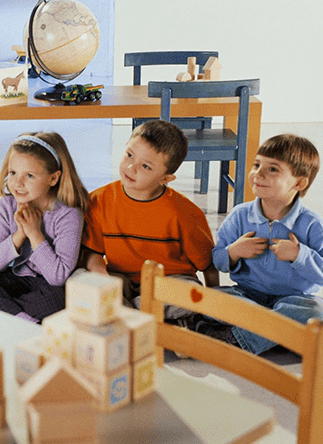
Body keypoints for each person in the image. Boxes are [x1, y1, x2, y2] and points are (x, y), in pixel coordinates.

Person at [198, 134, 323, 353]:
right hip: (246, 295)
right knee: (209, 299)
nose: (258, 173)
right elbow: (218, 259)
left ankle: (237, 339)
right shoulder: (239, 215)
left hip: (294, 301)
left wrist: (299, 255)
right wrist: (233, 252)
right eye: (257, 165)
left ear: (299, 182)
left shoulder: (312, 224)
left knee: (315, 313)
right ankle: (276, 333)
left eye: (273, 169)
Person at [80, 120, 219, 315]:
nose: (131, 167)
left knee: (192, 296)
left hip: (170, 282)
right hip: (120, 279)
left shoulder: (186, 213)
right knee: (79, 278)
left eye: (145, 166)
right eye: (129, 155)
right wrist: (105, 281)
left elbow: (208, 265)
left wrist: (214, 305)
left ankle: (126, 314)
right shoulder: (98, 200)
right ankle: (135, 313)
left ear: (165, 179)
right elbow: (92, 254)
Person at [0, 132, 90, 323]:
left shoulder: (68, 215)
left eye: (29, 175)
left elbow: (57, 276)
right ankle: (23, 320)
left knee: (62, 300)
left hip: (48, 287)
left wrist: (34, 233)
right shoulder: (6, 206)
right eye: (13, 173)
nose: (17, 183)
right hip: (15, 278)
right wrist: (19, 235)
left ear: (53, 179)